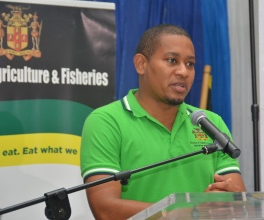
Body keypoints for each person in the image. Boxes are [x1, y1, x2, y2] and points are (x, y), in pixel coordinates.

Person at [80, 24, 246, 220]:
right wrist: (190, 212)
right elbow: (105, 209)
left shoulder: (210, 122)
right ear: (141, 64)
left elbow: (237, 198)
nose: (183, 72)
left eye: (190, 64)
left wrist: (227, 200)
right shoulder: (106, 122)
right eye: (172, 60)